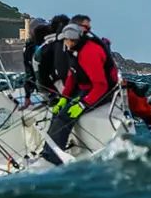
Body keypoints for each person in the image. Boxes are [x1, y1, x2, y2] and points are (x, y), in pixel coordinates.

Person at [71, 14, 151, 132]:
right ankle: (146, 115)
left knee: (127, 87)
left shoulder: (89, 44)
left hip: (100, 88)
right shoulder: (79, 48)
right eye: (86, 27)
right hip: (92, 91)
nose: (89, 30)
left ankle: (144, 111)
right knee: (125, 89)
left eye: (89, 27)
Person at [43, 23, 118, 164]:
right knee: (58, 111)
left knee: (67, 114)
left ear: (75, 40)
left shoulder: (89, 53)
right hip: (86, 88)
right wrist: (63, 98)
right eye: (66, 40)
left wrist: (83, 104)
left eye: (70, 40)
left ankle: (55, 156)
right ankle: (49, 150)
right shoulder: (74, 51)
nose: (67, 43)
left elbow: (101, 85)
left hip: (102, 91)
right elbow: (72, 76)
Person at [33, 14, 70, 100]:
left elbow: (41, 78)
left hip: (54, 92)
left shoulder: (42, 49)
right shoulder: (63, 44)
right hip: (66, 91)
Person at [19, 17, 49, 110]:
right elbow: (29, 72)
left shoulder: (46, 45)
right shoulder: (32, 48)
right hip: (45, 87)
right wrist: (27, 96)